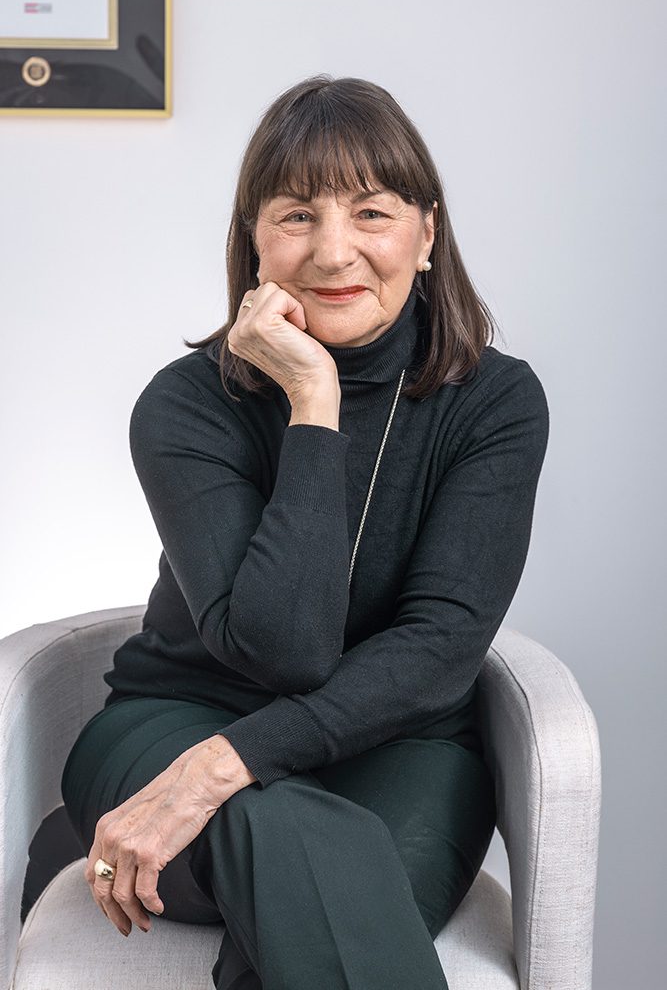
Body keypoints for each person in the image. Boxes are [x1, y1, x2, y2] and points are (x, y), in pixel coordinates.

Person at [61, 74, 549, 990]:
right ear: (254, 239)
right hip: (174, 721)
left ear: (427, 233)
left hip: (398, 745)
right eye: (295, 216)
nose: (334, 253)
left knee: (295, 871)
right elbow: (283, 649)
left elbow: (440, 648)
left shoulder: (495, 403)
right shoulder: (184, 406)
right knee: (282, 833)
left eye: (371, 212)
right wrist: (313, 403)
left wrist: (220, 773)